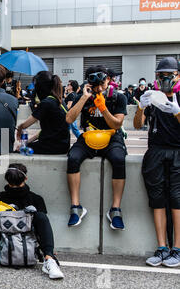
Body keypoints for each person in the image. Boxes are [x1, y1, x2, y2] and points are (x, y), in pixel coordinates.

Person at [0, 164, 64, 279]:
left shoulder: (0, 197)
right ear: (25, 178)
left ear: (7, 179)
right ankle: (49, 258)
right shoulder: (36, 199)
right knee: (41, 216)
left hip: (24, 242)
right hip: (5, 241)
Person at [65, 66, 127, 230]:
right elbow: (69, 119)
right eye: (96, 86)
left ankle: (115, 209)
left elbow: (117, 123)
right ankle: (76, 207)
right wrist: (84, 98)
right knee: (73, 158)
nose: (99, 89)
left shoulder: (118, 98)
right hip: (89, 137)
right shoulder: (83, 95)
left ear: (108, 80)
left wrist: (103, 108)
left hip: (112, 137)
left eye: (103, 84)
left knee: (119, 159)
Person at [134, 57, 180, 268]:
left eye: (169, 75)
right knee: (157, 199)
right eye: (161, 75)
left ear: (177, 75)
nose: (165, 79)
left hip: (177, 151)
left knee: (177, 199)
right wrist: (141, 108)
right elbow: (137, 125)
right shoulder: (153, 97)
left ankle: (177, 248)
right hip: (155, 152)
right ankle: (162, 247)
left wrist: (176, 111)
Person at [16, 71, 70, 155]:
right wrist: (28, 142)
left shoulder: (46, 103)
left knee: (18, 150)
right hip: (63, 146)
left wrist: (19, 129)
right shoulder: (59, 101)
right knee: (25, 147)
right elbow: (45, 131)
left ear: (40, 88)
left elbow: (25, 125)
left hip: (51, 147)